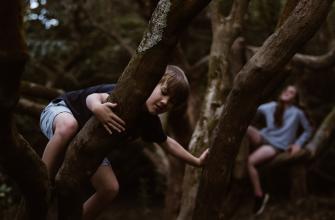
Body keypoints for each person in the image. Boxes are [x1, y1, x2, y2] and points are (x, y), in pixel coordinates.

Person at [40, 65, 209, 220]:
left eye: (172, 102)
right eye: (164, 92)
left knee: (110, 188)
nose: (165, 102)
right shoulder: (127, 94)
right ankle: (41, 181)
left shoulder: (150, 121)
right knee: (68, 126)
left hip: (87, 145)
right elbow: (94, 97)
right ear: (151, 83)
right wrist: (98, 108)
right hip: (60, 111)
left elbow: (168, 143)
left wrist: (196, 161)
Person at [246, 85, 312, 216]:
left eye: (292, 92)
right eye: (286, 90)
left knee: (250, 162)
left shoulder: (297, 113)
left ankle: (259, 195)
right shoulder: (271, 106)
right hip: (263, 137)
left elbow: (308, 129)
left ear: (295, 98)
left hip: (276, 146)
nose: (287, 93)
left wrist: (297, 144)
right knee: (244, 127)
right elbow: (255, 108)